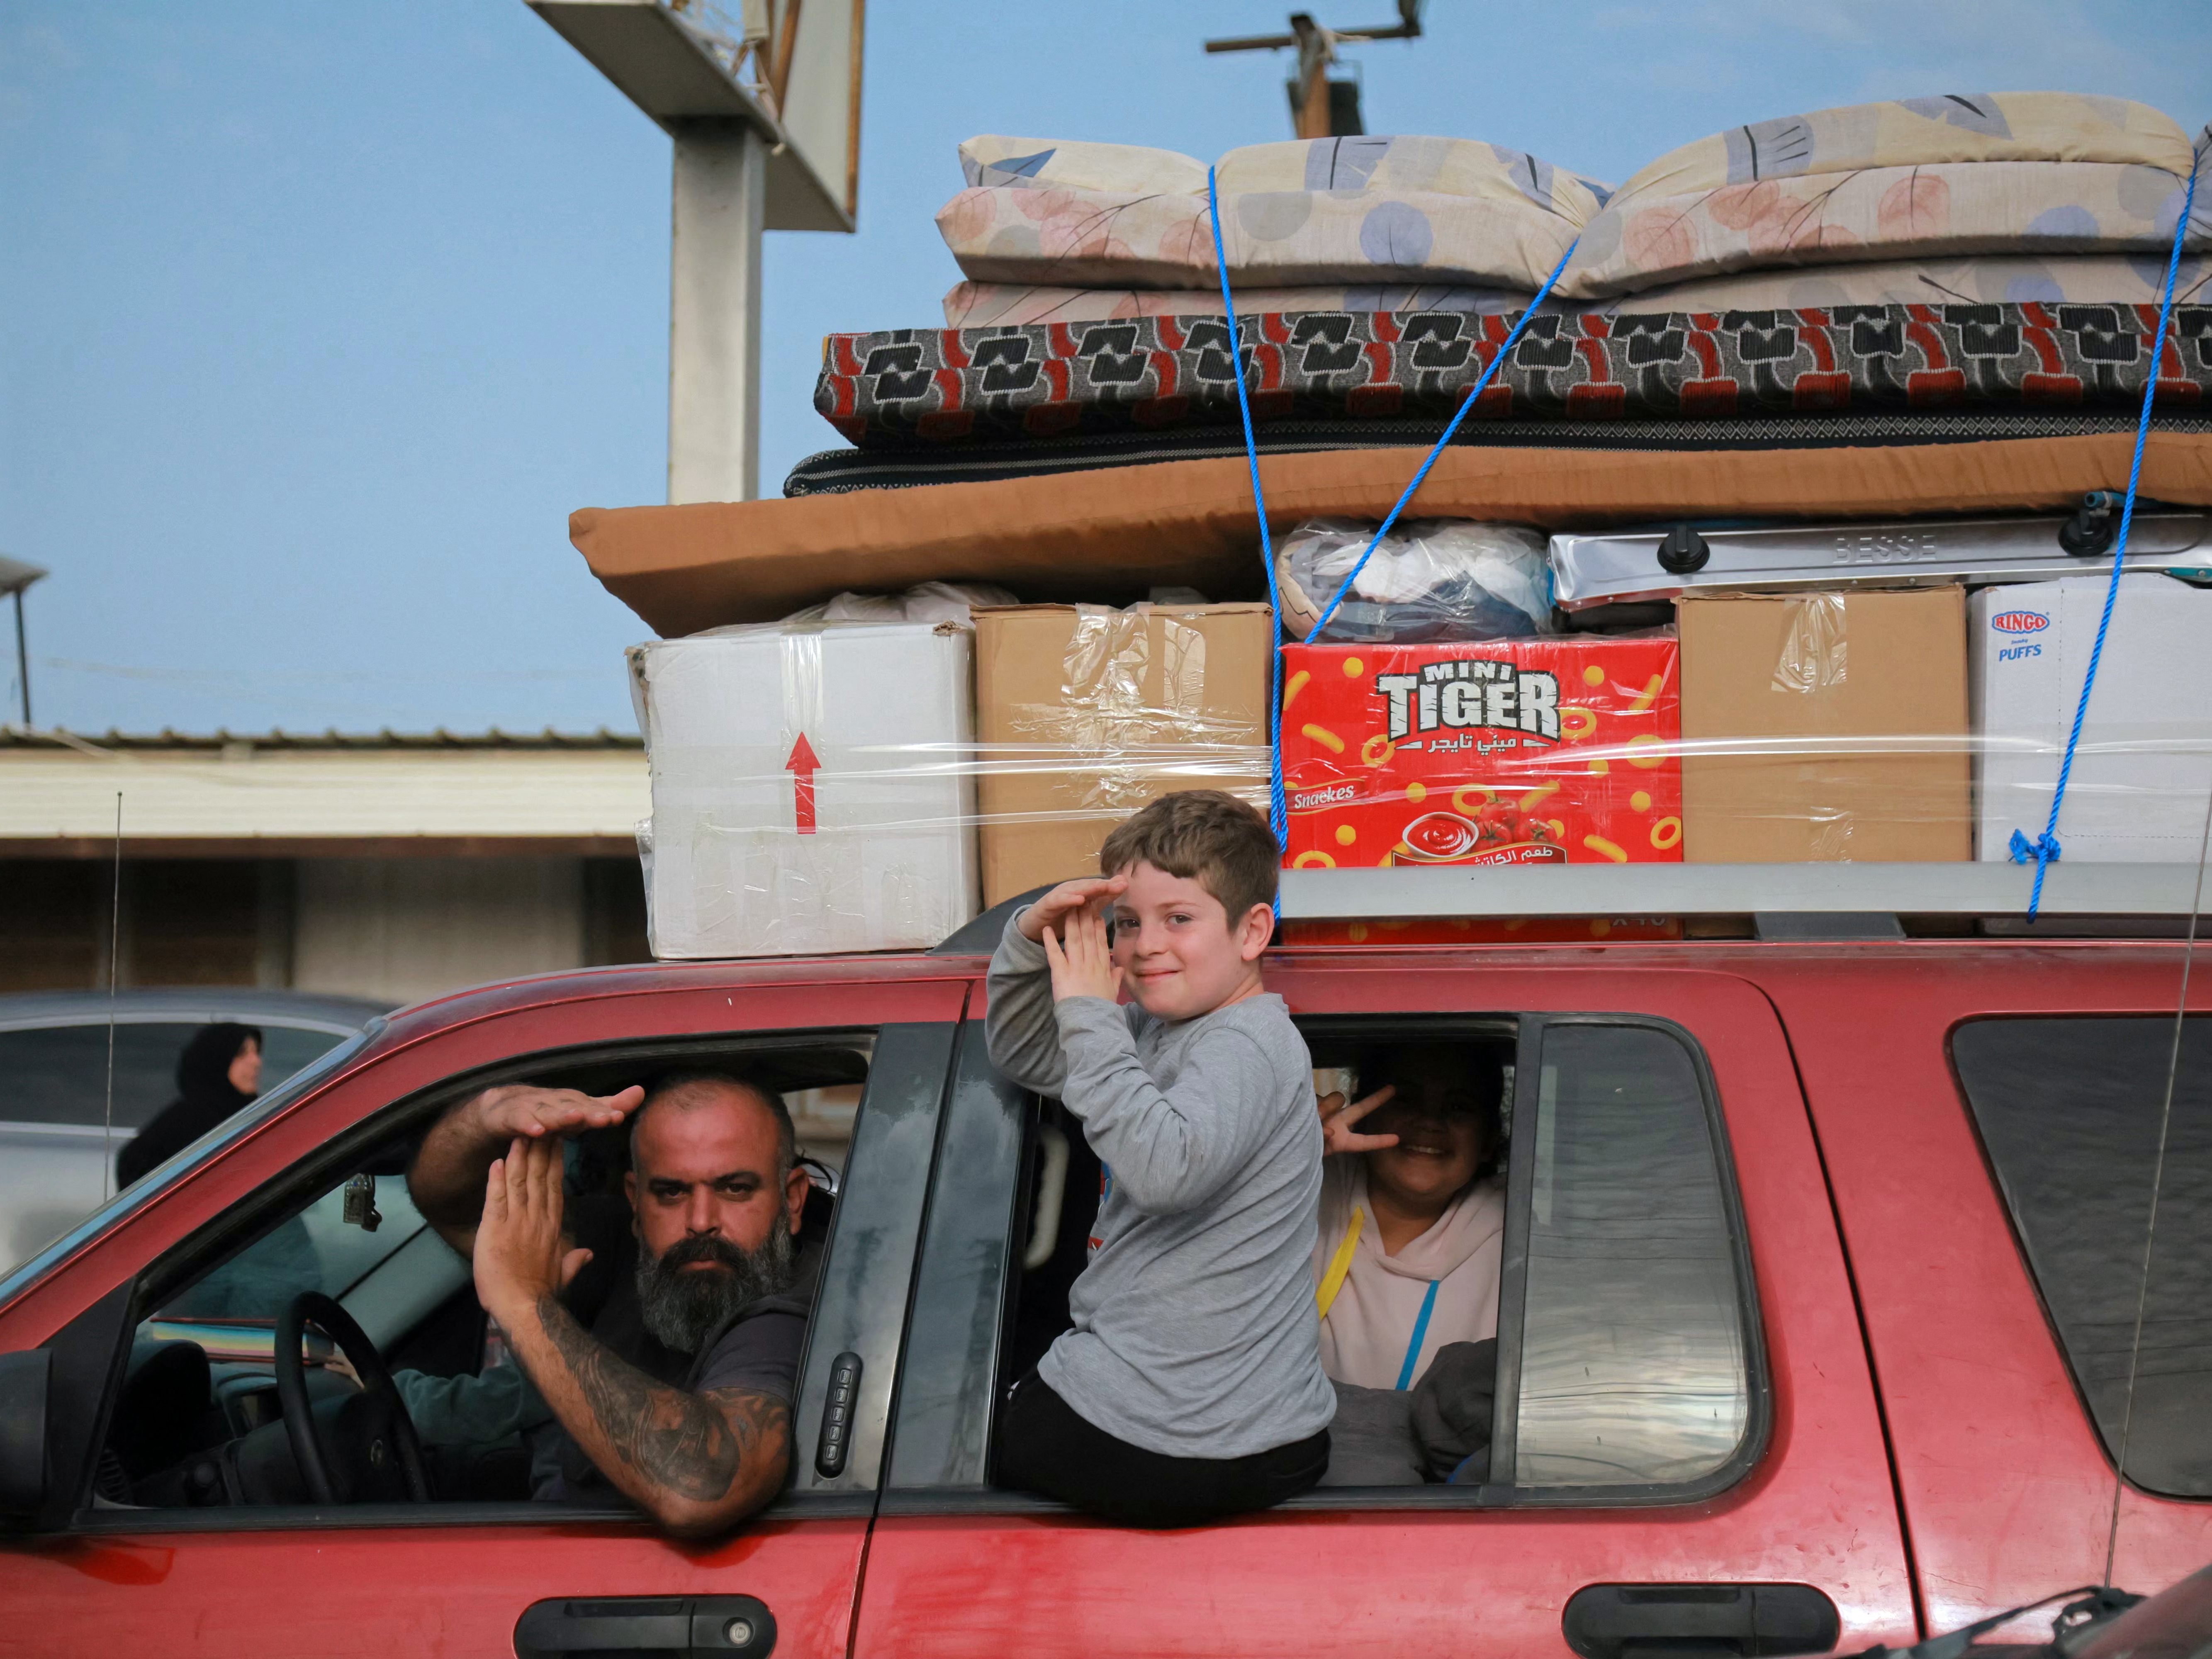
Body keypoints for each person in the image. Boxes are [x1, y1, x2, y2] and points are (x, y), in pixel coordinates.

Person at [987, 789, 1334, 1528]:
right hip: (1252, 1430)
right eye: (1126, 923)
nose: (1144, 945)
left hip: (1184, 1442)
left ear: (1252, 933)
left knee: (954, 1434)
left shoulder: (1245, 1041)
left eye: (1178, 919)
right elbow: (1025, 1055)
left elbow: (1164, 1170)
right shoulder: (1153, 1028)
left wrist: (1089, 1012)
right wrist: (1026, 938)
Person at [406, 1072, 811, 1537]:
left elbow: (696, 1488)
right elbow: (450, 1202)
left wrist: (523, 1304)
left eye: (735, 1189)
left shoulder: (790, 1309)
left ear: (792, 1200)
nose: (701, 1221)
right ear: (635, 1202)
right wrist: (485, 1115)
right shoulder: (630, 1253)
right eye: (671, 1192)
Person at [1312, 1045, 1506, 1391]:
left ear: (1489, 1140)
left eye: (1458, 1107)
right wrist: (1284, 1153)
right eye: (1406, 1100)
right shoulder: (1303, 1191)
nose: (1429, 1122)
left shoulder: (1520, 1243)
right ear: (1365, 1118)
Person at [118, 1023, 263, 1189]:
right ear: (216, 1061)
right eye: (241, 1053)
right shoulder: (189, 1122)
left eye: (257, 1052)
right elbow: (132, 1165)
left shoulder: (250, 1113)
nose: (256, 1062)